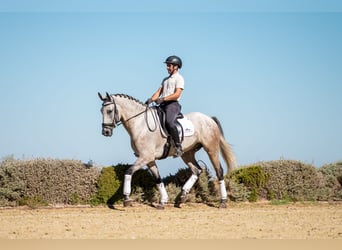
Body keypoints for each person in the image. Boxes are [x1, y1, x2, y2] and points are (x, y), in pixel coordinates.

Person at [145, 55, 185, 157]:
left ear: (176, 66)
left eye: (169, 65)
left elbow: (177, 94)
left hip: (173, 105)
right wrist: (150, 100)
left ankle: (178, 146)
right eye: (167, 65)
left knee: (169, 122)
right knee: (150, 118)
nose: (167, 67)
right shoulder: (165, 79)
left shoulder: (179, 78)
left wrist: (163, 99)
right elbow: (158, 92)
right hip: (163, 104)